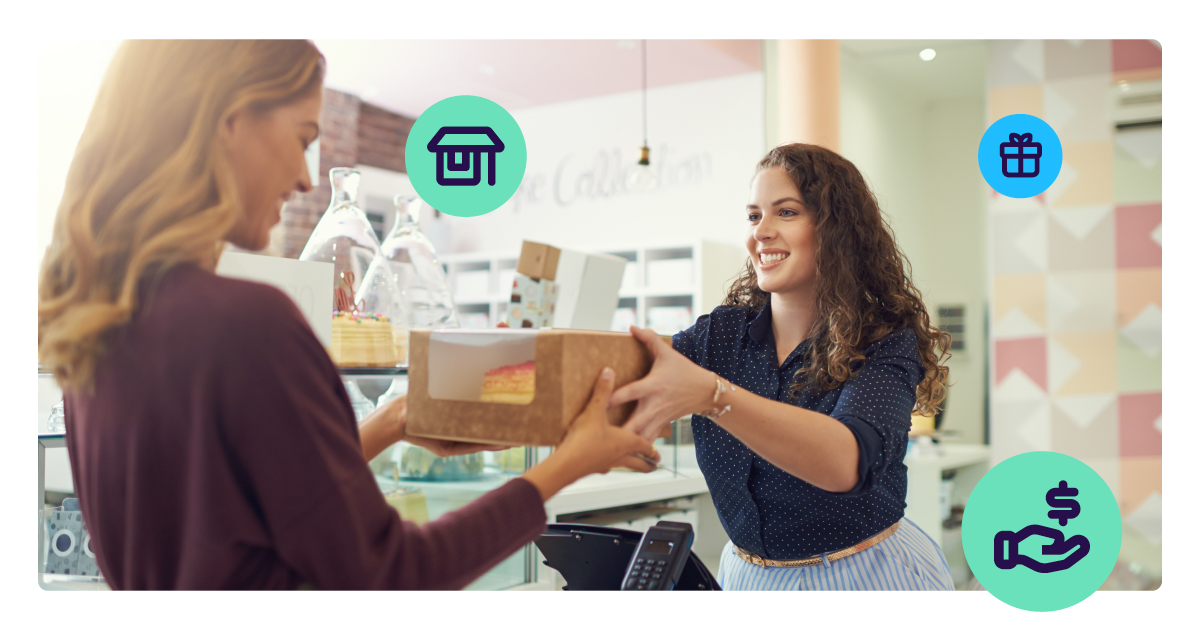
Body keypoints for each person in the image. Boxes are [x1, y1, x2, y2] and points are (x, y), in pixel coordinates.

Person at [36, 39, 658, 590]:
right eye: (303, 138)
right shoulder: (249, 324)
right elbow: (394, 573)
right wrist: (569, 462)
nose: (304, 179)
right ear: (228, 120)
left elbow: (226, 517)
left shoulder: (95, 319)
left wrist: (389, 424)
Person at [610, 143, 955, 590]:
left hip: (867, 576)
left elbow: (847, 460)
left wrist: (713, 397)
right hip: (747, 578)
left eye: (786, 213)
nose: (761, 232)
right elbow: (624, 371)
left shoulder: (884, 340)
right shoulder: (719, 336)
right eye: (754, 216)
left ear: (836, 230)